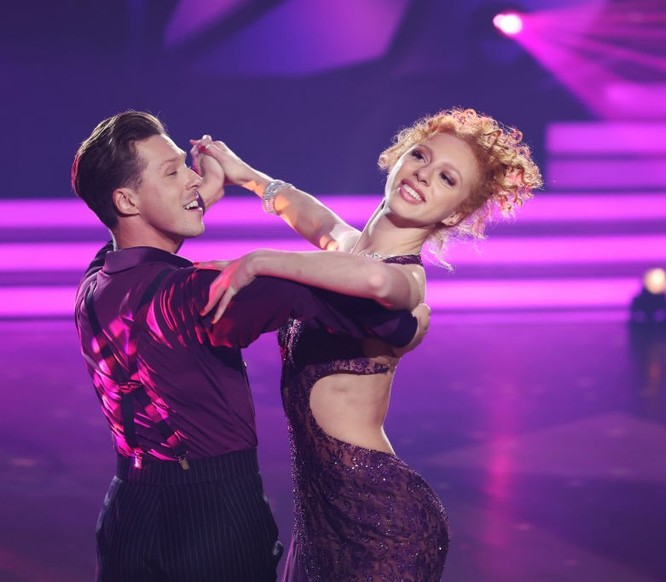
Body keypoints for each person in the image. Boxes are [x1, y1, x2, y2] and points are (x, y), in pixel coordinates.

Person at [72, 110, 425, 582]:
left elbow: (144, 246)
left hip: (128, 514)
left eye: (187, 166)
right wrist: (403, 324)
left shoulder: (98, 281)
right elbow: (362, 308)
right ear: (126, 200)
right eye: (174, 172)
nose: (194, 179)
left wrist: (192, 198)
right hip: (214, 519)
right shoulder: (202, 293)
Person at [194, 108, 543, 581]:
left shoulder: (406, 279)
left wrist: (260, 261)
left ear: (456, 212)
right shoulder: (353, 253)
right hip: (322, 510)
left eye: (446, 178)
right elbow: (321, 223)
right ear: (400, 155)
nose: (423, 173)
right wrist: (250, 177)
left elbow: (377, 278)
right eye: (420, 155)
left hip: (379, 519)